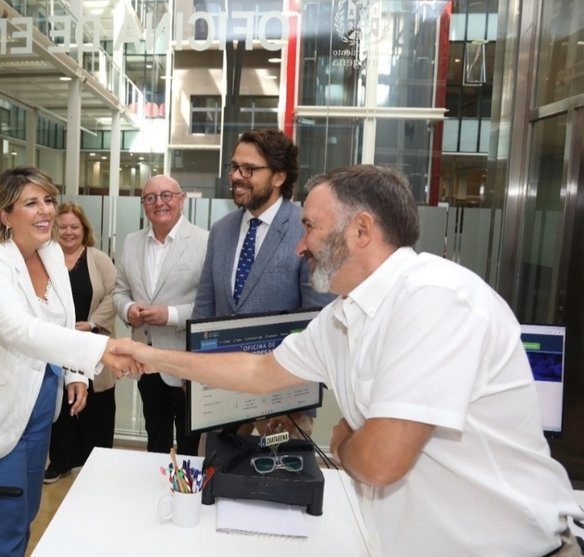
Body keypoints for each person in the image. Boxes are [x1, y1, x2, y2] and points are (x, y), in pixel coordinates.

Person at [118, 165, 584, 557]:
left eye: (309, 228)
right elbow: (259, 371)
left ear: (362, 230)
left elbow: (381, 462)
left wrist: (342, 443)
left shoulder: (436, 300)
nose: (300, 247)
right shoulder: (343, 316)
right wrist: (147, 354)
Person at [0, 166, 140, 557]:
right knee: (3, 532)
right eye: (31, 203)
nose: (46, 210)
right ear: (5, 214)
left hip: (36, 412)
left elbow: (61, 321)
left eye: (48, 199)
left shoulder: (50, 254)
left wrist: (75, 374)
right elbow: (18, 330)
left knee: (26, 512)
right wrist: (100, 351)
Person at [193, 128, 333, 438]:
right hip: (221, 392)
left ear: (279, 177)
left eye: (249, 169)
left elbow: (318, 319)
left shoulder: (305, 228)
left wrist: (301, 397)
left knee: (279, 484)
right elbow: (205, 308)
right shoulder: (221, 230)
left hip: (283, 400)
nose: (236, 176)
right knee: (216, 481)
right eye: (234, 167)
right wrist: (196, 374)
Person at [112, 175, 209, 457]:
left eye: (167, 195)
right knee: (155, 435)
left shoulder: (205, 241)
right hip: (146, 357)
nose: (159, 203)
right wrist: (129, 310)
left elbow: (210, 305)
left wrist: (170, 315)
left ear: (181, 199)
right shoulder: (131, 242)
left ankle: (187, 498)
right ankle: (155, 492)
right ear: (144, 205)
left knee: (190, 440)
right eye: (151, 198)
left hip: (187, 359)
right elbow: (119, 292)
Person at [43, 202, 118, 484]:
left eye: (74, 227)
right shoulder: (45, 259)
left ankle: (96, 465)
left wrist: (92, 323)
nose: (68, 232)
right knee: (62, 406)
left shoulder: (98, 259)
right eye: (62, 227)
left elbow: (115, 294)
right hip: (57, 346)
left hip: (93, 345)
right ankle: (61, 460)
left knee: (97, 407)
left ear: (84, 229)